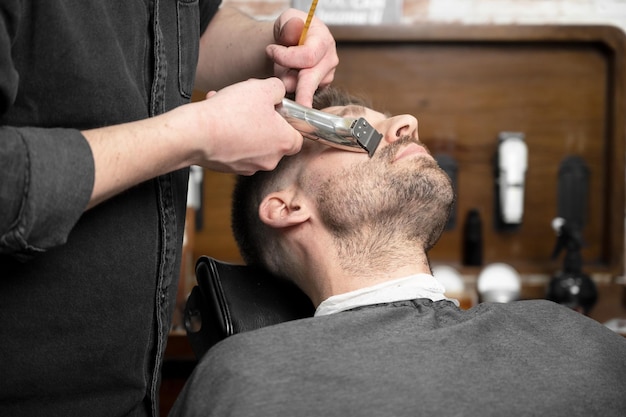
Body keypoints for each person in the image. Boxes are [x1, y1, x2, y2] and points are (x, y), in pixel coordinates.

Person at [170, 87, 626, 417]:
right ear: (288, 207)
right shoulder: (246, 379)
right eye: (355, 126)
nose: (406, 123)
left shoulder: (564, 333)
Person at [0, 1, 338, 416]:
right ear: (284, 207)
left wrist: (273, 39)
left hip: (133, 385)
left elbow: (192, 32)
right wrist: (195, 135)